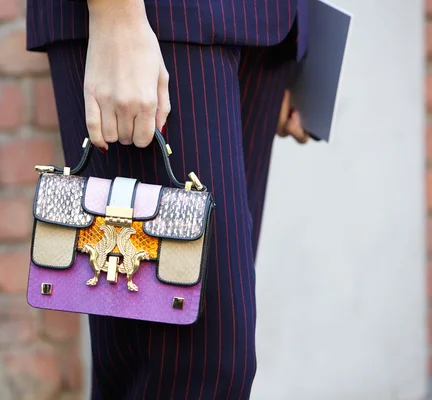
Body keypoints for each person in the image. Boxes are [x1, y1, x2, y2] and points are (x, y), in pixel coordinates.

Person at [27, 0, 309, 398]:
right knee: (195, 364)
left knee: (196, 361)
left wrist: (300, 41)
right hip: (155, 20)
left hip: (264, 25)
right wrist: (117, 20)